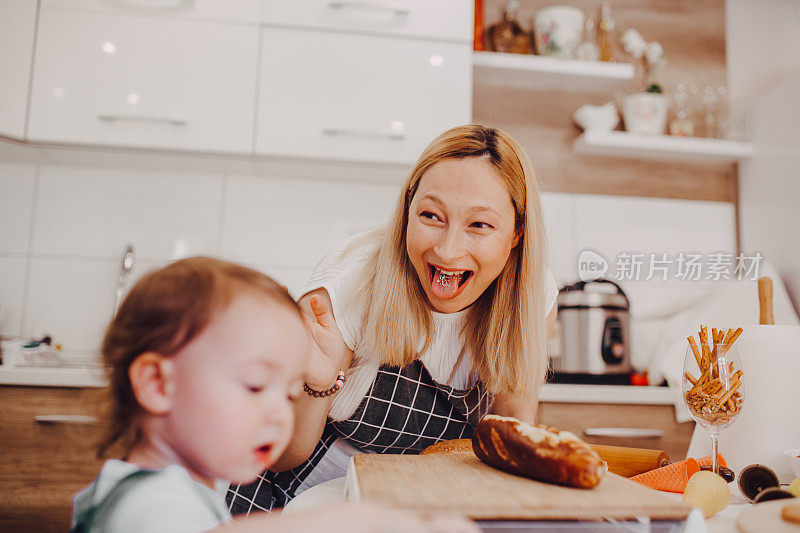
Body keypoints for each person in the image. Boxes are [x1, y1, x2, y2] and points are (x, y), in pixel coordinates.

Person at [228, 125, 559, 513]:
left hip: (429, 504)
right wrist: (316, 384)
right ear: (407, 211)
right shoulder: (349, 283)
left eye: (479, 224)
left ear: (517, 232)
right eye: (431, 216)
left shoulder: (533, 297)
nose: (448, 250)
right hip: (300, 499)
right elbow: (281, 458)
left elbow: (512, 435)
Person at [72, 257, 477, 533]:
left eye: (287, 394)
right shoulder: (148, 501)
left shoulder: (191, 489)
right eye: (253, 386)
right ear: (158, 384)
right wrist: (362, 521)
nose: (280, 416)